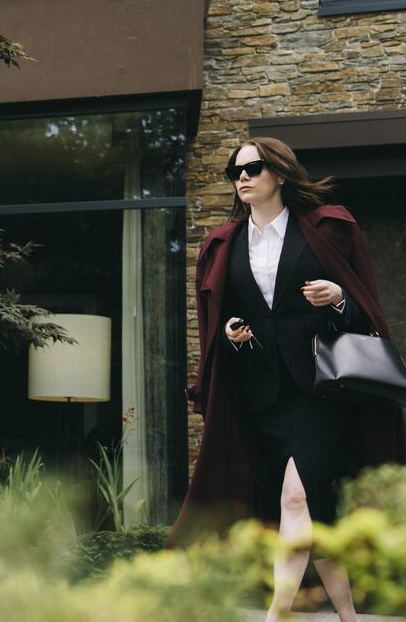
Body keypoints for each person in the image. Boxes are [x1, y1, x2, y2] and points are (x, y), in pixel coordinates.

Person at [167, 137, 405, 622]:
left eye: (253, 167)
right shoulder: (222, 245)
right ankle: (348, 615)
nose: (243, 177)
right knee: (313, 508)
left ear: (279, 172)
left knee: (295, 497)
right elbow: (224, 319)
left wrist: (337, 297)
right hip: (262, 395)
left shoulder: (327, 229)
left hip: (321, 390)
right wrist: (234, 332)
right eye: (235, 170)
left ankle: (277, 614)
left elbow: (364, 312)